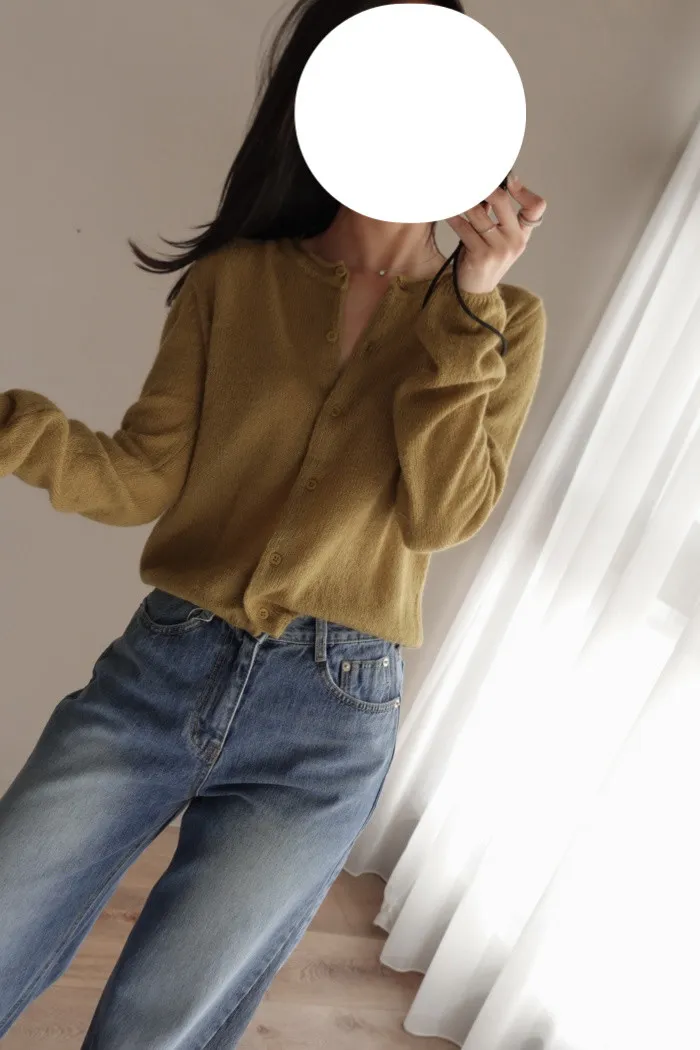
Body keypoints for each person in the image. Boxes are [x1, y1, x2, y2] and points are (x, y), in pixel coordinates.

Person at [0, 0, 547, 1045]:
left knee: (160, 1027)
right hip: (162, 670)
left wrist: (468, 302)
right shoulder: (234, 281)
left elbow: (440, 515)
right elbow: (139, 480)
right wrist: (12, 428)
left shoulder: (500, 322)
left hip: (329, 718)